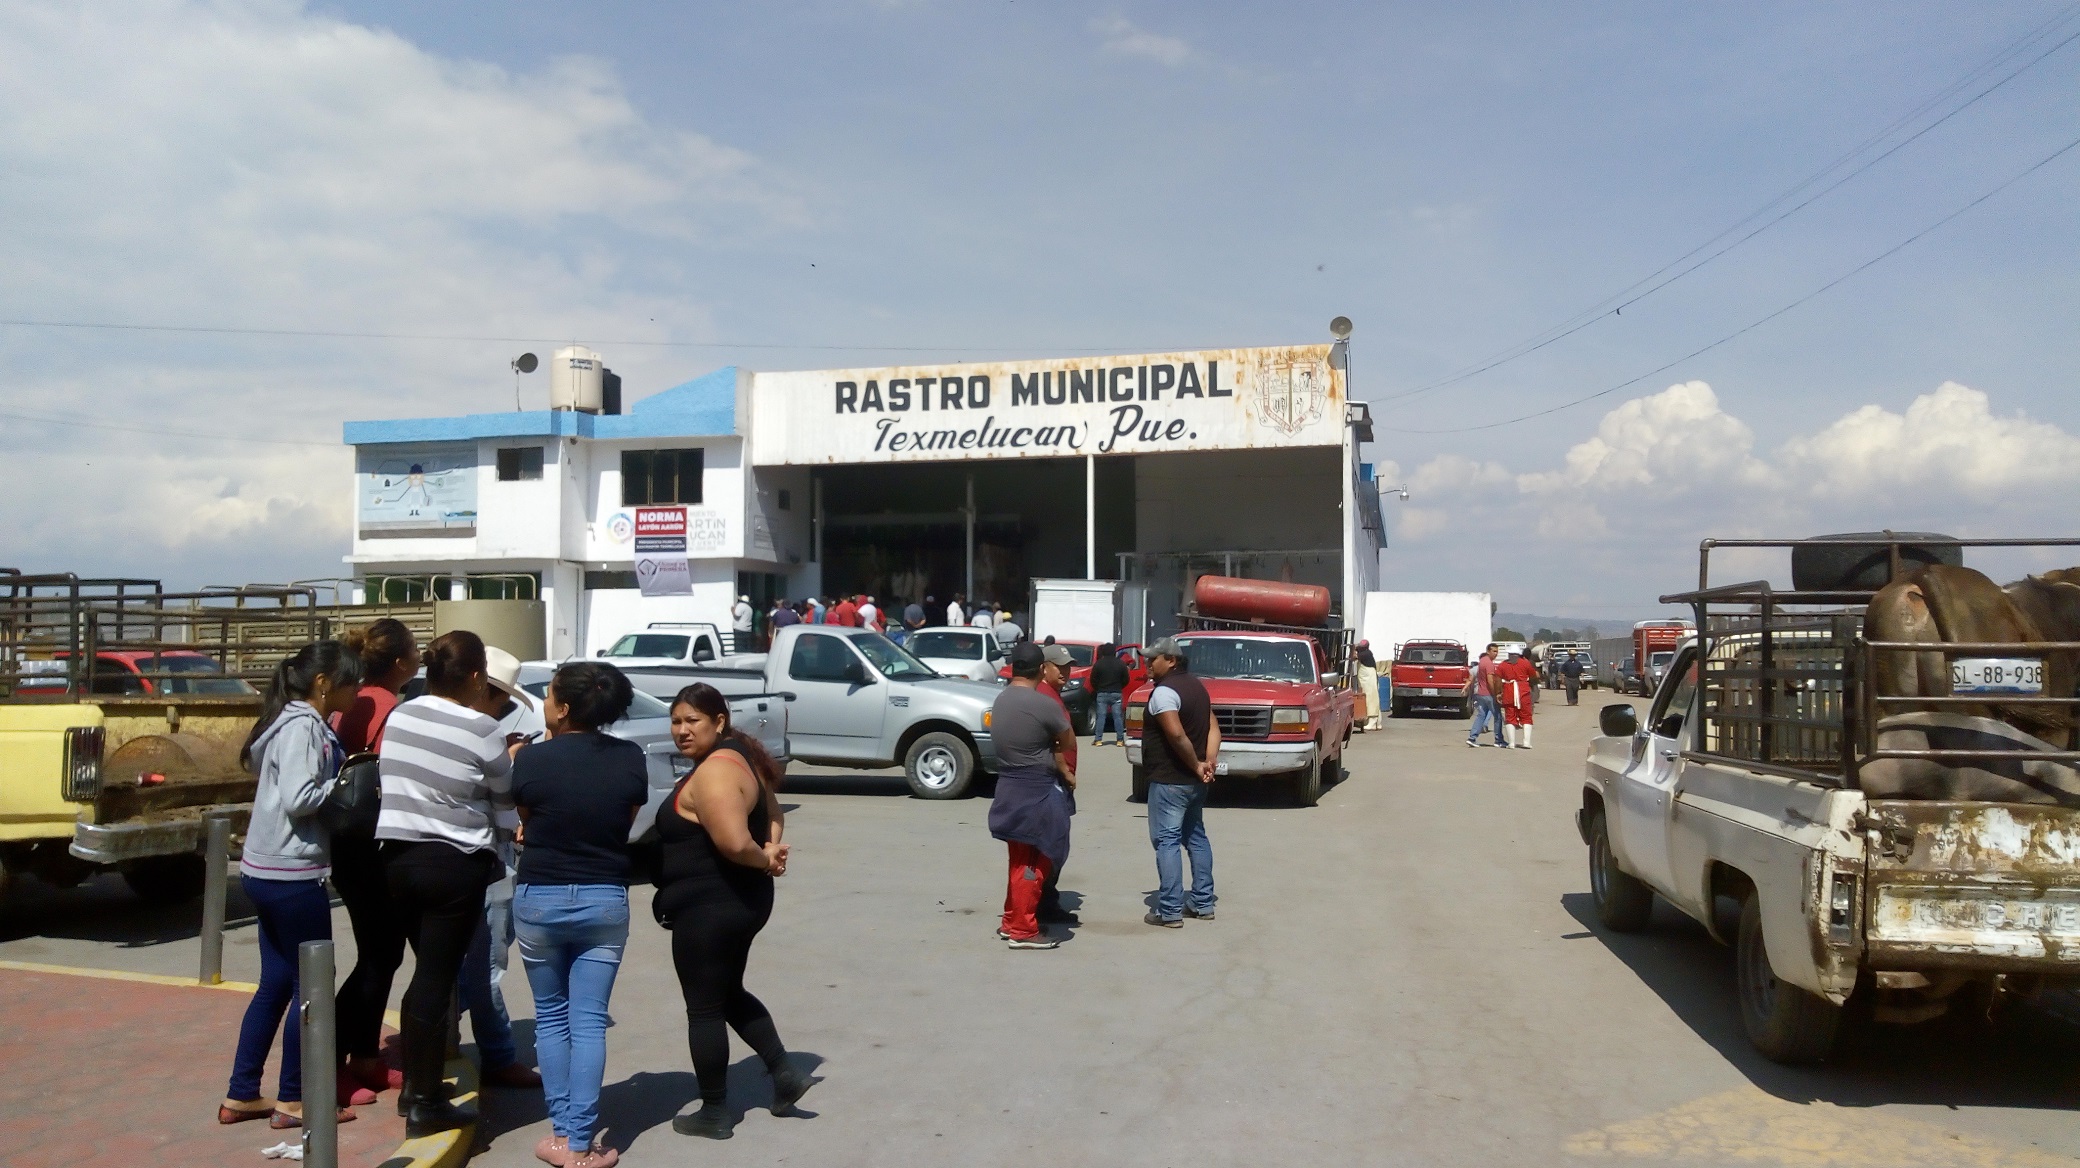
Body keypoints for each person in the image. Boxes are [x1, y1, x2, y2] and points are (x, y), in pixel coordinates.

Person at [377, 630, 523, 1138]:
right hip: (453, 863)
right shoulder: (483, 728)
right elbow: (504, 805)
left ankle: (414, 1090)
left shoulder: (401, 713)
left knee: (425, 975)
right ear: (479, 676)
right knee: (437, 980)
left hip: (396, 859)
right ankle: (423, 1099)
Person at [221, 640, 364, 1129]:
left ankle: (242, 1093)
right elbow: (302, 797)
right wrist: (349, 789)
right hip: (292, 875)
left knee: (278, 982)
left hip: (264, 871)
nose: (357, 690)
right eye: (352, 681)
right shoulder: (304, 727)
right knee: (312, 987)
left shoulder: (286, 722)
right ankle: (294, 1098)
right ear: (324, 684)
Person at [659, 683, 811, 1139]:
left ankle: (715, 1111)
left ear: (719, 722)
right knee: (726, 992)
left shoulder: (717, 772)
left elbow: (732, 842)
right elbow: (774, 812)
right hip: (739, 902)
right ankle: (784, 1073)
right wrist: (771, 846)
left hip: (711, 909)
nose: (682, 731)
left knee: (703, 1008)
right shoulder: (741, 758)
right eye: (676, 721)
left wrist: (764, 856)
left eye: (693, 721)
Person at [511, 662, 649, 1168]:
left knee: (551, 1017)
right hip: (604, 897)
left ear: (564, 708)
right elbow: (623, 825)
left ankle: (561, 1134)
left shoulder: (530, 758)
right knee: (588, 1021)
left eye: (548, 696)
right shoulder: (630, 758)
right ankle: (580, 1144)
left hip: (540, 897)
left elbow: (526, 819)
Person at [330, 619, 416, 1098]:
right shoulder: (391, 710)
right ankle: (337, 1055)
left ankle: (363, 1053)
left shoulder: (351, 702)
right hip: (374, 846)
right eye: (416, 652)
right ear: (401, 662)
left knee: (378, 951)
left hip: (346, 843)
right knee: (381, 953)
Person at [458, 648, 546, 1093]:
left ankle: (441, 1039)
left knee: (458, 961)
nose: (503, 712)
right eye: (502, 702)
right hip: (484, 862)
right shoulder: (483, 736)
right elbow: (502, 804)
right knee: (487, 962)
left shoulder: (424, 722)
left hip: (458, 863)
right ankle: (497, 1055)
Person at [987, 643, 1076, 949]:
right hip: (1035, 791)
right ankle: (1024, 931)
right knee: (1035, 862)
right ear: (1041, 669)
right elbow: (1068, 741)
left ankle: (1012, 920)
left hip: (1009, 787)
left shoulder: (1001, 699)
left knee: (1019, 859)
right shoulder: (1043, 704)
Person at [1141, 638, 1217, 928]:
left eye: (1153, 659)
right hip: (1194, 783)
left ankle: (1170, 909)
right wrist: (1208, 762)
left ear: (1171, 660)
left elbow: (1175, 735)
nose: (1148, 664)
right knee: (1196, 838)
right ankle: (1202, 902)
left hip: (1170, 780)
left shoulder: (1164, 693)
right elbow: (1213, 728)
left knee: (1167, 841)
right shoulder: (1198, 688)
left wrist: (1198, 764)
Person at [1035, 644, 1081, 926]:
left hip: (1059, 782)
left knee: (1057, 844)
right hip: (1053, 782)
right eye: (1059, 666)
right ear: (1044, 668)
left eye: (1067, 666)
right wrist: (1065, 772)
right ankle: (1043, 903)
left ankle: (1045, 900)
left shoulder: (1053, 695)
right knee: (1052, 846)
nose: (1065, 671)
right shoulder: (1044, 696)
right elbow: (1054, 743)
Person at [1464, 643, 1507, 748]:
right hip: (1488, 694)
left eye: (1497, 651)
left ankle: (1472, 738)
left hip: (1480, 693)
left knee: (1481, 715)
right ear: (1488, 651)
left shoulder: (1482, 662)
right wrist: (1495, 693)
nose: (1496, 654)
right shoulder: (1489, 664)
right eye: (1494, 651)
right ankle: (1498, 740)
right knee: (1497, 716)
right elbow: (1490, 680)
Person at [1088, 643, 1130, 747]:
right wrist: (1120, 686)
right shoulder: (1120, 663)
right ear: (1114, 652)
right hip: (1116, 692)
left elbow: (1093, 679)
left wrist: (1098, 688)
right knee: (1118, 717)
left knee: (1101, 717)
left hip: (1102, 692)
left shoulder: (1098, 664)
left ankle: (1098, 740)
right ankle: (1120, 740)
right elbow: (1126, 679)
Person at [1500, 650, 1537, 749]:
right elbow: (1533, 675)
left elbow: (1498, 677)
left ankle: (1511, 743)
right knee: (1526, 716)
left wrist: (1499, 692)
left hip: (1508, 691)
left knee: (1510, 717)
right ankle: (1526, 742)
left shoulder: (1503, 664)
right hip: (1523, 691)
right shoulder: (1525, 663)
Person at [1355, 640, 1382, 733]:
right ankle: (1378, 722)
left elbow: (1354, 657)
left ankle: (1372, 722)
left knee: (1371, 698)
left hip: (1368, 678)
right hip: (1367, 678)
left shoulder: (1365, 654)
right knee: (1372, 697)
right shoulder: (1366, 653)